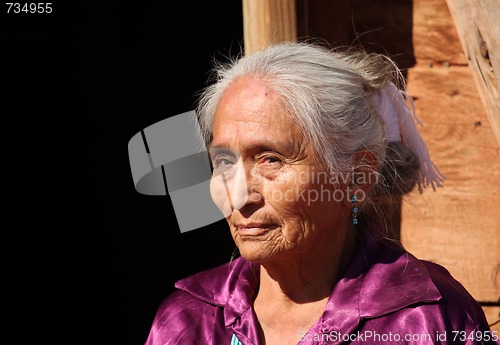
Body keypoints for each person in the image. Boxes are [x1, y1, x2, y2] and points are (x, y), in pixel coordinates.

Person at [144, 42, 498, 344]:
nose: (238, 196)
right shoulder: (189, 323)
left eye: (270, 159)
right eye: (223, 161)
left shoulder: (427, 322)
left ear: (357, 176)